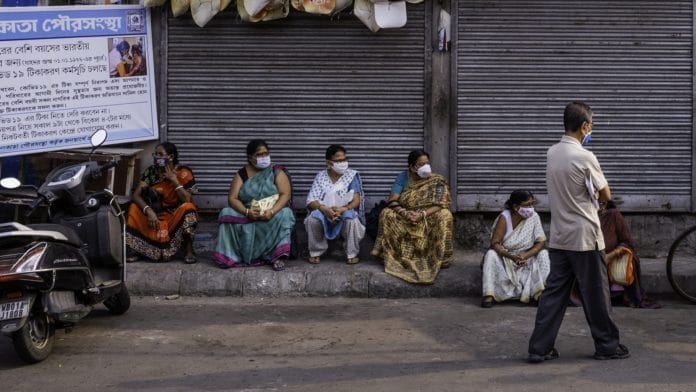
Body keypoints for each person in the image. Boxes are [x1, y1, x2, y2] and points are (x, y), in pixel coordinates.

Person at [528, 101, 629, 363]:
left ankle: (539, 347)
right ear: (584, 126)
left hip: (560, 236)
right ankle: (607, 345)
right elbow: (606, 193)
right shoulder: (585, 156)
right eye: (591, 126)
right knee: (596, 294)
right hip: (585, 237)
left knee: (554, 294)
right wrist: (599, 199)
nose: (590, 131)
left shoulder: (552, 153)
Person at [371, 149, 453, 284]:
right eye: (421, 164)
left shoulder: (437, 180)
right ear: (412, 167)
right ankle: (393, 255)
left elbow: (441, 204)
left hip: (427, 215)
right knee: (386, 214)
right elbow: (392, 200)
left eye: (427, 163)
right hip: (406, 214)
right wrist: (404, 212)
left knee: (445, 215)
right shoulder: (403, 177)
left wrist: (422, 214)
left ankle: (442, 257)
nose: (425, 167)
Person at [213, 140, 295, 271]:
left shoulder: (275, 171)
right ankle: (231, 255)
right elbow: (232, 198)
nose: (264, 157)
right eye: (259, 154)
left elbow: (285, 194)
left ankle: (277, 257)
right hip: (248, 214)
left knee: (286, 213)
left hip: (270, 214)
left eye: (266, 153)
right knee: (226, 212)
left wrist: (272, 211)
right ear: (250, 157)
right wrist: (246, 212)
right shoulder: (242, 174)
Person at [126, 142, 198, 263]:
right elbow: (136, 195)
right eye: (155, 154)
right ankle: (138, 249)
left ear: (170, 157)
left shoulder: (183, 172)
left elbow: (187, 199)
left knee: (189, 208)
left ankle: (188, 249)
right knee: (133, 207)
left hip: (173, 215)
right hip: (155, 215)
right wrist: (148, 211)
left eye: (160, 154)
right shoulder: (151, 172)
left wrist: (174, 180)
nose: (156, 157)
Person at [481, 190, 550, 308]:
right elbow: (495, 243)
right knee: (491, 254)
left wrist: (525, 256)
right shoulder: (504, 217)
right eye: (527, 205)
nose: (531, 208)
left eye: (532, 204)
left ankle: (538, 294)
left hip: (527, 259)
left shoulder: (534, 217)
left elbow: (541, 242)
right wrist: (512, 257)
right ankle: (489, 295)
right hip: (507, 259)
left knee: (544, 253)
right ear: (516, 207)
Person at [305, 144, 365, 264]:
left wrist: (343, 209)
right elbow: (311, 200)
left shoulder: (351, 176)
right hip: (325, 212)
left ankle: (351, 253)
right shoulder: (321, 176)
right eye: (338, 160)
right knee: (313, 218)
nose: (343, 163)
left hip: (343, 211)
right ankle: (316, 252)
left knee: (351, 218)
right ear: (329, 163)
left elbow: (356, 200)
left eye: (344, 159)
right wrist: (324, 209)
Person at [599, 200, 660, 309]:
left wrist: (611, 255)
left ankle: (620, 294)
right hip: (592, 262)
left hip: (612, 261)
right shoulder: (584, 216)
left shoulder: (613, 215)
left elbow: (627, 242)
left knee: (629, 255)